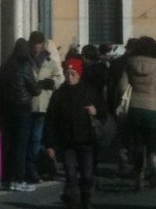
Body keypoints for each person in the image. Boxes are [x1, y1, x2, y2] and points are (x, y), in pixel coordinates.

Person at [116, 36, 156, 190]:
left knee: (138, 141)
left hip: (134, 108)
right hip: (153, 108)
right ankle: (153, 169)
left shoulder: (129, 63)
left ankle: (138, 172)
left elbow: (122, 87)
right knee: (152, 142)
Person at [43, 58, 100, 208]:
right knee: (70, 175)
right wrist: (50, 145)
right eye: (67, 74)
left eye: (73, 74)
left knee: (87, 176)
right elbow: (50, 120)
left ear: (79, 75)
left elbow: (104, 113)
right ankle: (73, 202)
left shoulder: (89, 91)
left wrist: (96, 112)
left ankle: (86, 199)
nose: (70, 77)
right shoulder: (59, 94)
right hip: (67, 142)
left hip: (87, 141)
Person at [0, 37, 39, 192]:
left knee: (8, 144)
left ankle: (6, 177)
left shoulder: (4, 67)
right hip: (22, 109)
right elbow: (34, 89)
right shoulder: (25, 66)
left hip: (6, 109)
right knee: (21, 146)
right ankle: (18, 179)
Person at [27, 31, 63, 184]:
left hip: (43, 104)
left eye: (39, 45)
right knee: (33, 138)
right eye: (34, 45)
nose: (36, 48)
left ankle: (34, 166)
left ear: (42, 45)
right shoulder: (26, 59)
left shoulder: (49, 59)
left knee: (37, 138)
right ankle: (32, 166)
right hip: (28, 104)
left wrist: (51, 83)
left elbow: (59, 77)